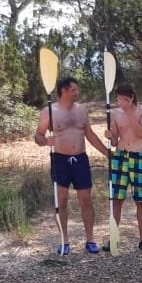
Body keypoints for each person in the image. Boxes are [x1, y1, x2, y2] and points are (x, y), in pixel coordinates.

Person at [33, 75, 110, 255]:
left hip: (80, 159)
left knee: (86, 199)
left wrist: (108, 154)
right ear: (64, 91)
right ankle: (64, 241)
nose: (78, 92)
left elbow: (90, 135)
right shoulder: (49, 112)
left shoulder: (82, 110)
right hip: (60, 159)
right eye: (74, 90)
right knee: (62, 200)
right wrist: (45, 141)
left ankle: (90, 240)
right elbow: (38, 136)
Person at [105, 83, 142, 252]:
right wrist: (110, 137)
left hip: (138, 156)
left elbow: (140, 132)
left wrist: (129, 112)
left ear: (131, 97)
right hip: (120, 156)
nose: (119, 102)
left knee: (140, 199)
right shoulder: (115, 113)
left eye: (123, 99)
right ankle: (113, 238)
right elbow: (115, 141)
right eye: (117, 99)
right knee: (116, 199)